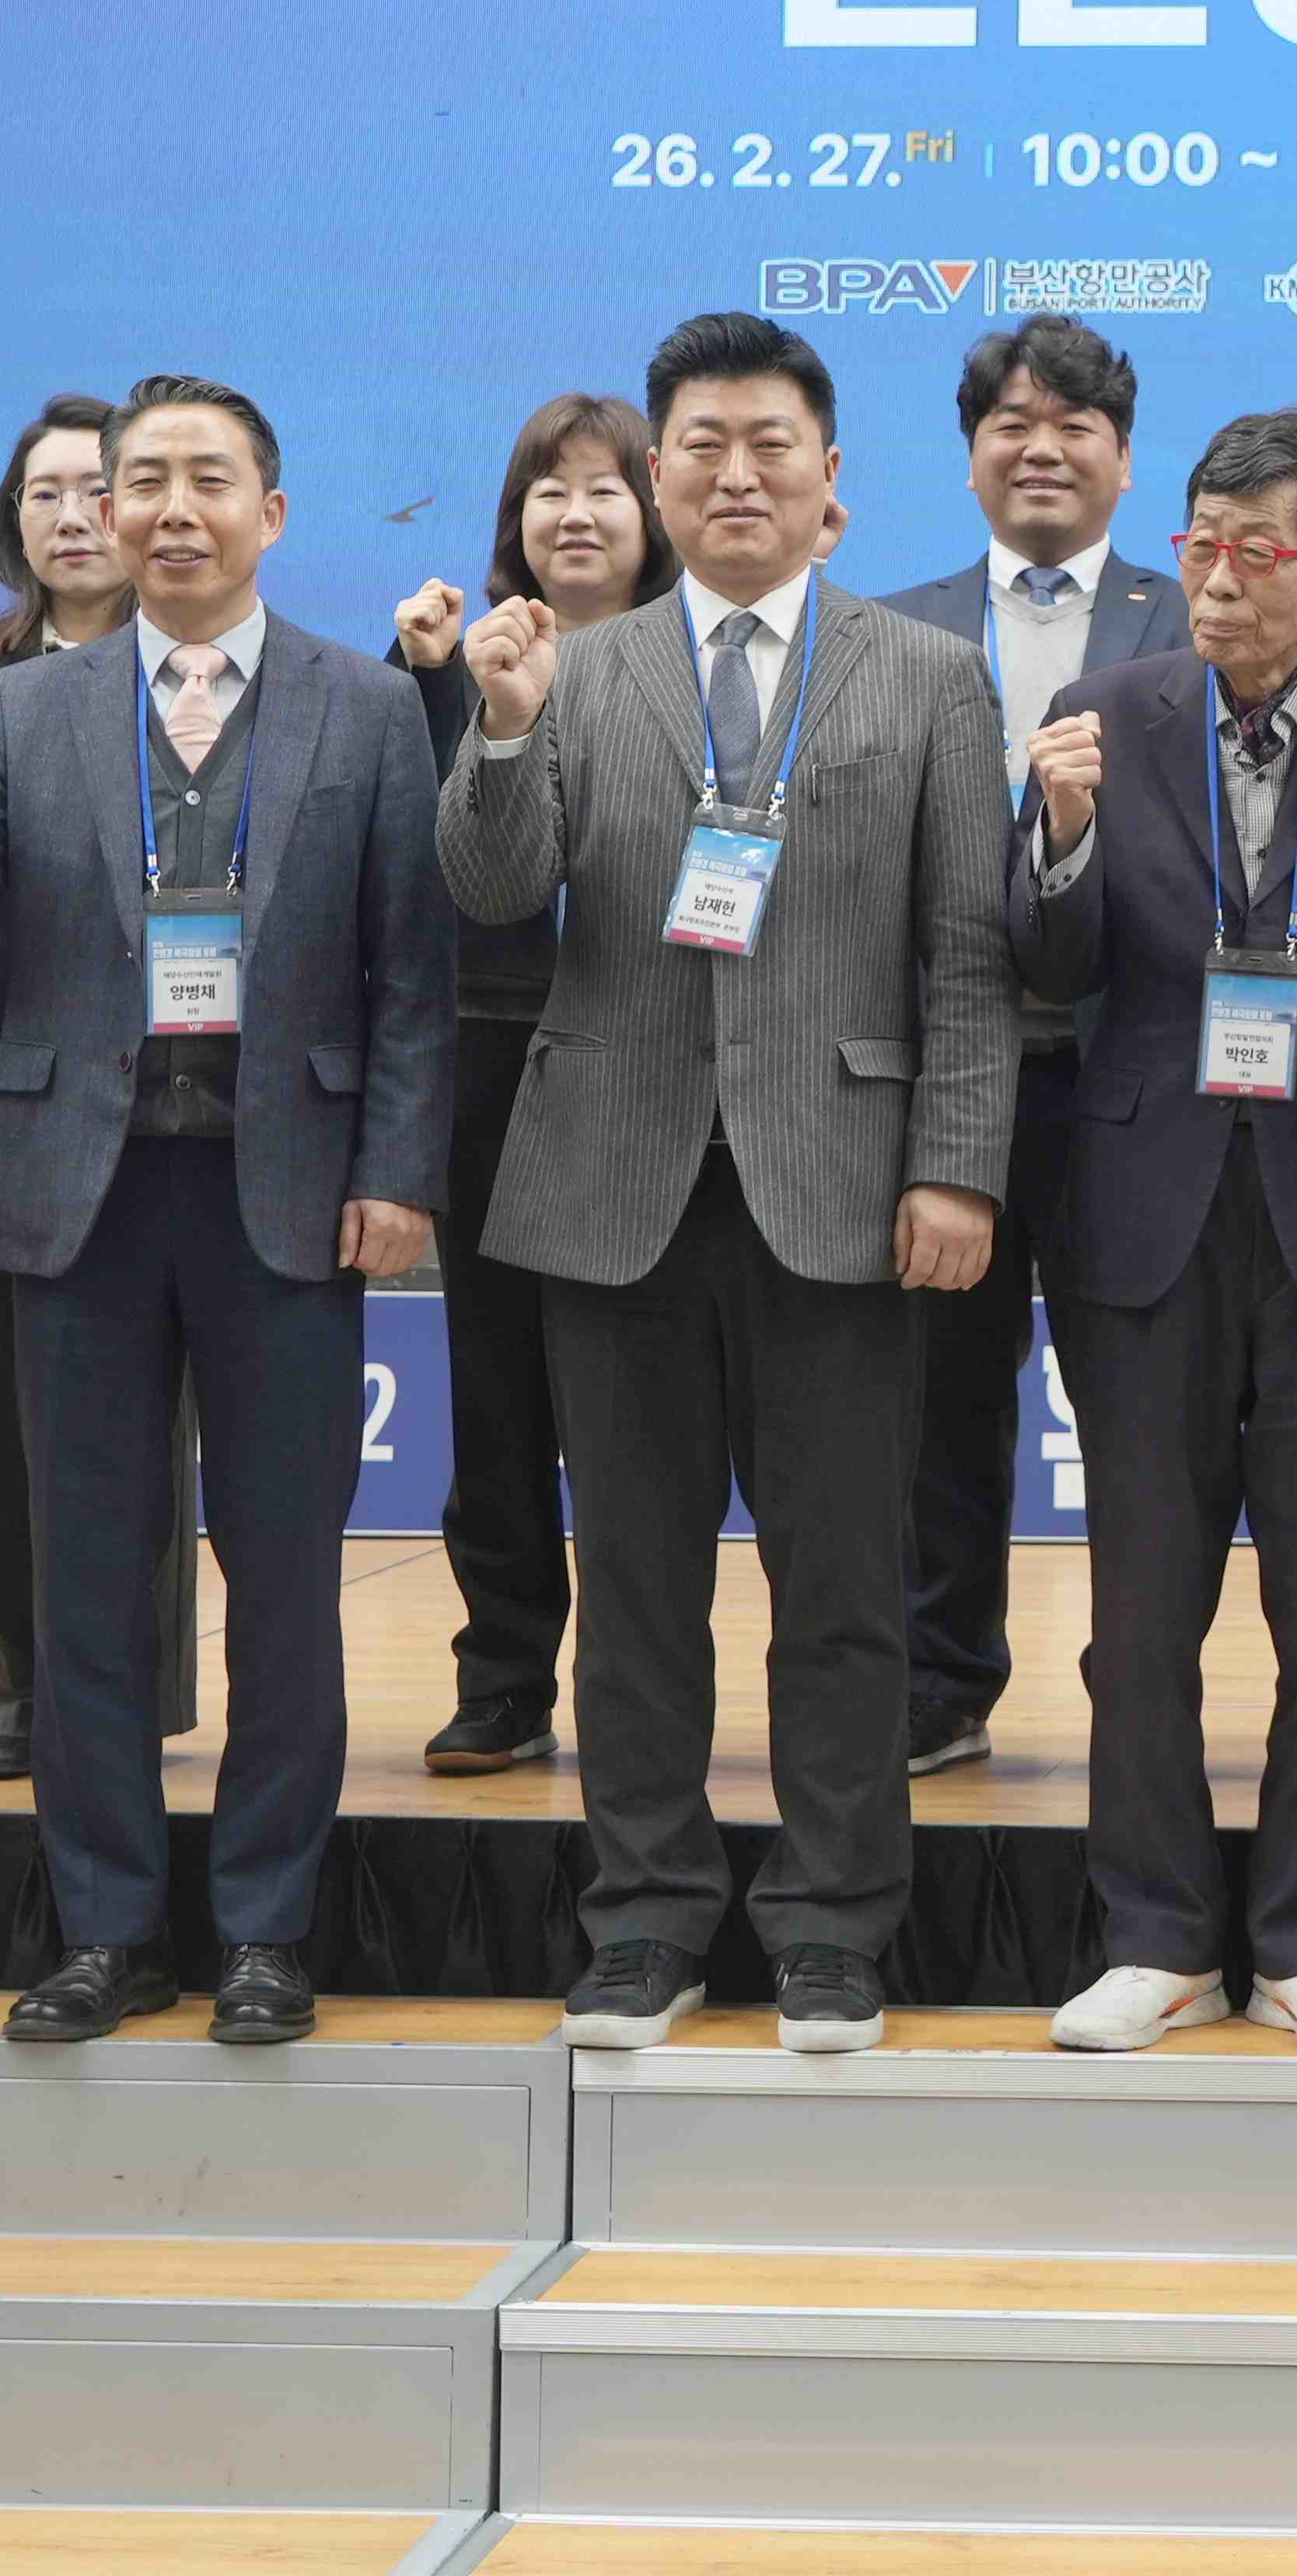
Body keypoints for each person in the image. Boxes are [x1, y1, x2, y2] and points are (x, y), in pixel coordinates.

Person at [442, 312, 1014, 2052]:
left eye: (771, 444)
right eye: (701, 444)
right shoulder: (575, 666)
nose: (736, 474)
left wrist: (958, 1170)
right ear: (657, 474)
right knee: (635, 1594)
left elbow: (969, 951)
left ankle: (834, 1924)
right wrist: (502, 732)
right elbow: (494, 893)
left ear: (830, 476)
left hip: (841, 1191)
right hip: (611, 1188)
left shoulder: (927, 674)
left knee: (843, 1593)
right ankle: (645, 1920)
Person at [0, 374, 453, 2049]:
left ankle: (266, 1930)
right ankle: (107, 1930)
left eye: (210, 480)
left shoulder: (365, 706)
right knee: (87, 1587)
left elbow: (412, 970)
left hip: (290, 1198)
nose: (173, 510)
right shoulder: (16, 708)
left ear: (274, 512)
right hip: (75, 1198)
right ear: (106, 515)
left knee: (285, 1583)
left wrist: (399, 1169)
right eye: (145, 483)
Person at [1014, 408, 1297, 2053]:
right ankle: (1155, 1936)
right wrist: (1061, 837)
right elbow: (1049, 971)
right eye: (1199, 544)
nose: (1215, 578)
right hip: (1143, 1212)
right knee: (1140, 1606)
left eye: (1254, 551)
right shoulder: (1105, 712)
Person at [873, 315, 1182, 1778]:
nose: (1041, 448)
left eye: (1074, 426)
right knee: (942, 1397)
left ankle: (1141, 1679)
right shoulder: (890, 626)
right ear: (970, 456)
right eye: (1011, 423)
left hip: (1131, 1075)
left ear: (1123, 458)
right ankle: (940, 1680)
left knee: (1141, 1401)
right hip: (950, 1069)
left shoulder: (1190, 621)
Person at [380, 395, 672, 1779]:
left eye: (606, 488)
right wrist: (437, 679)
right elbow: (423, 868)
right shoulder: (457, 655)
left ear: (652, 512)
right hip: (495, 1058)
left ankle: (646, 1682)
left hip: (659, 1056)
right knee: (496, 1397)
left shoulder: (705, 664)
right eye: (549, 490)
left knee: (648, 1404)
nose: (577, 513)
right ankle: (501, 1674)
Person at [0, 397, 200, 1784]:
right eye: (41, 494)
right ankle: (5, 1689)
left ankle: (134, 1689)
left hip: (177, 1099)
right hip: (10, 1105)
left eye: (98, 487)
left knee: (150, 1434)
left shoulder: (203, 675)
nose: (73, 515)